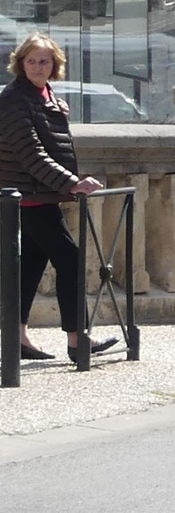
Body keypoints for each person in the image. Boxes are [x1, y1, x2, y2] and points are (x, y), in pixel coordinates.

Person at [0, 33, 115, 367]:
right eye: (32, 60)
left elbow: (48, 143)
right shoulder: (14, 99)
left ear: (55, 65)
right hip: (29, 195)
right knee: (70, 259)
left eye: (45, 61)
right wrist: (72, 183)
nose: (38, 66)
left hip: (40, 193)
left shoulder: (43, 94)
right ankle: (78, 339)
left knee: (34, 264)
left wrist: (56, 111)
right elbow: (30, 153)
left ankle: (16, 336)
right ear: (20, 63)